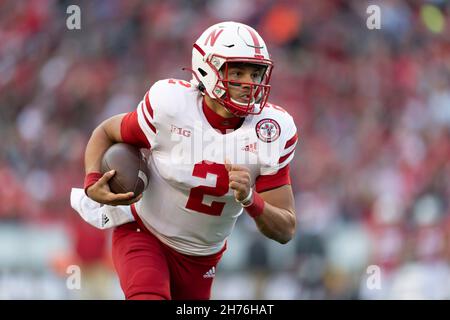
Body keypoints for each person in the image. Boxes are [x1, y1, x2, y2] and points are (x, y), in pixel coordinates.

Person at [74, 21, 298, 300]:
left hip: (202, 258)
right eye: (237, 72)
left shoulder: (271, 130)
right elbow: (106, 131)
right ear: (207, 70)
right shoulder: (171, 106)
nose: (248, 84)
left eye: (255, 73)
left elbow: (286, 229)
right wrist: (93, 180)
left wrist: (251, 199)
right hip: (144, 231)